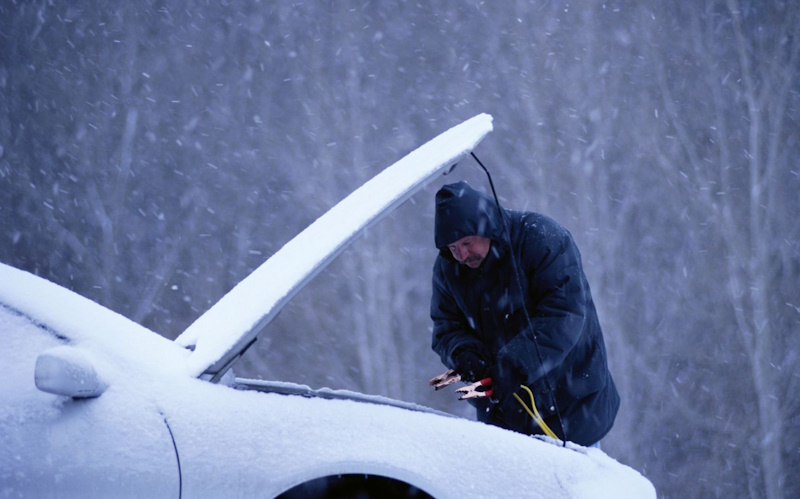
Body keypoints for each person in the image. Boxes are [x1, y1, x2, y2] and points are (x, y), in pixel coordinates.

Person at [430, 181, 619, 447]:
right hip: (504, 421)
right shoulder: (447, 269)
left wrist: (515, 363)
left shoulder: (541, 238)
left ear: (486, 225)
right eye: (451, 247)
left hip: (572, 409)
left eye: (466, 242)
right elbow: (445, 328)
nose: (460, 255)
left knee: (579, 488)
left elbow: (564, 315)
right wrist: (464, 353)